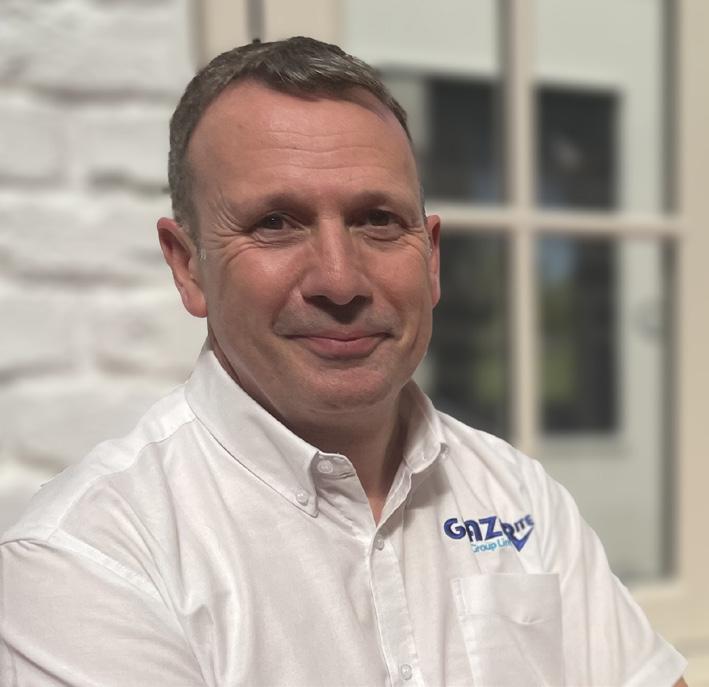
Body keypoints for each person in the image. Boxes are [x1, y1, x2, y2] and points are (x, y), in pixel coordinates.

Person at [0, 36, 687, 687]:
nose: (339, 279)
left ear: (431, 256)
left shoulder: (517, 494)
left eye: (377, 220)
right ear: (188, 267)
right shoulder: (88, 557)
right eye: (275, 223)